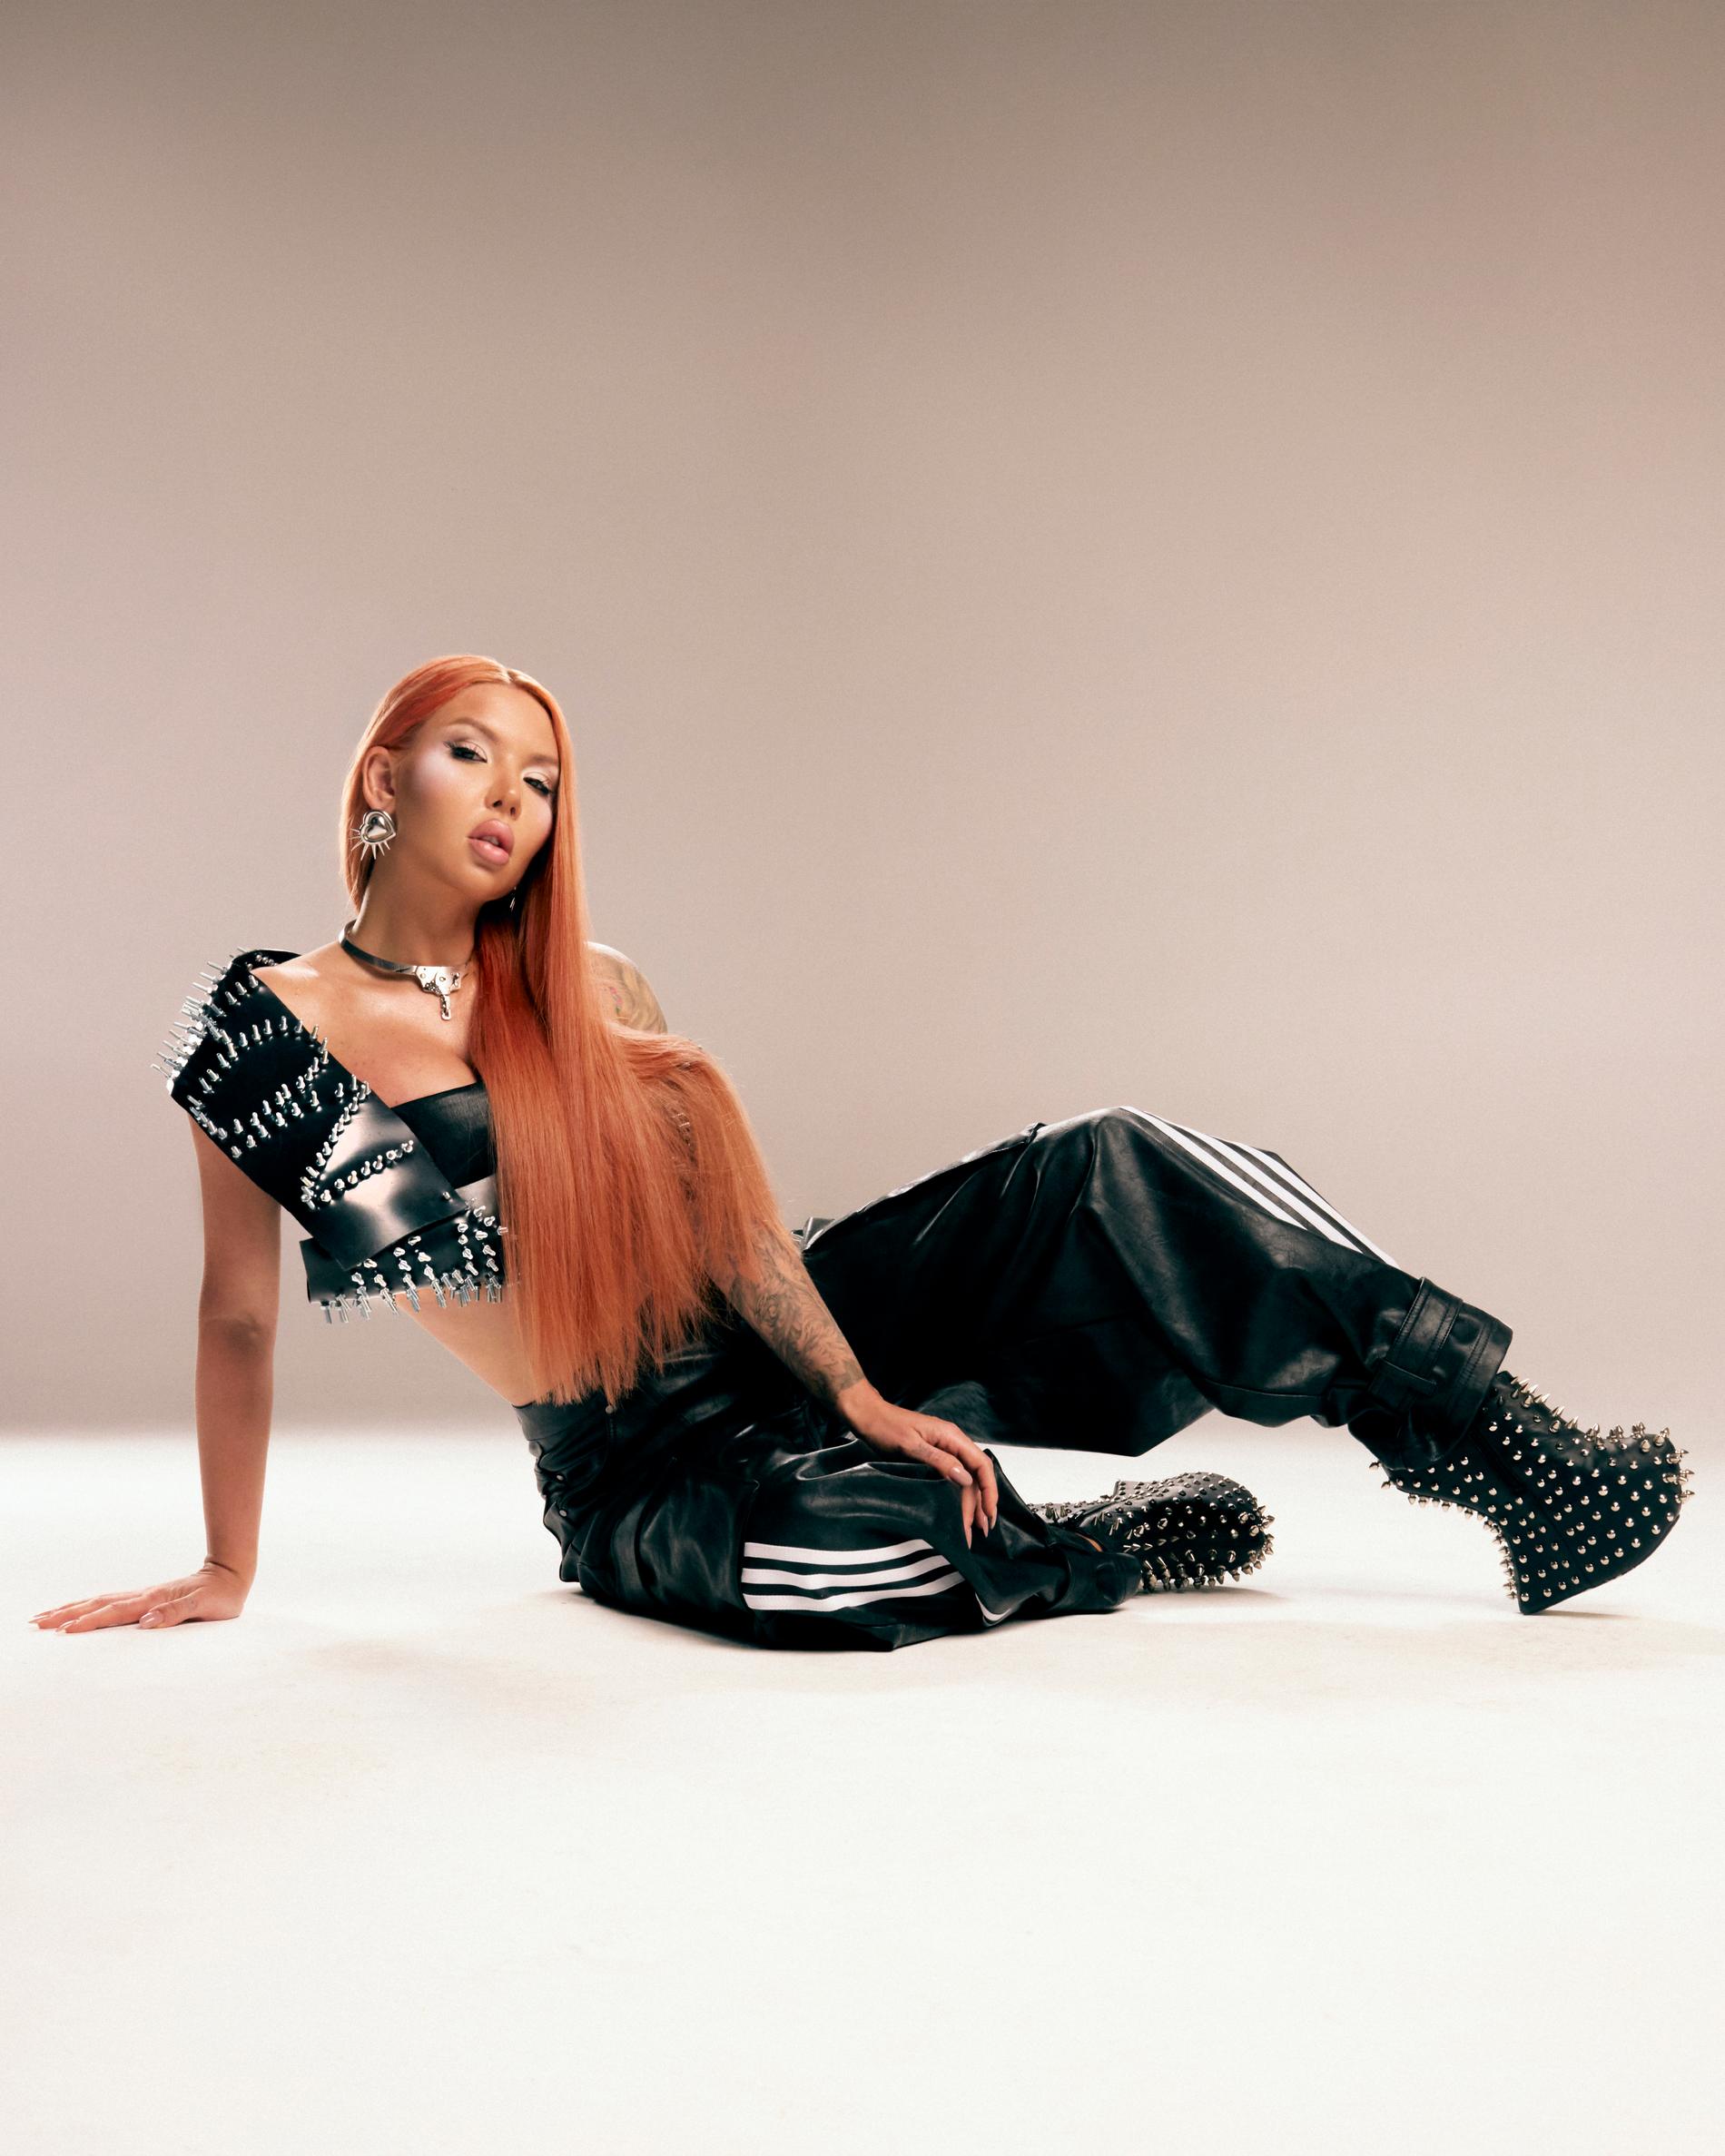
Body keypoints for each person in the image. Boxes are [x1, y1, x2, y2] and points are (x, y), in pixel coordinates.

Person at [31, 655, 1691, 1649]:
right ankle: (1100, 1543)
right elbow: (306, 1317)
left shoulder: (594, 985)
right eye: (472, 753)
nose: (512, 799)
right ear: (383, 771)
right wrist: (227, 1563)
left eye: (543, 779)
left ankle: (1502, 1449)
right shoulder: (267, 1032)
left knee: (1117, 1163)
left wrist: (847, 1381)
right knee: (842, 1549)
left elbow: (736, 1236)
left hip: (788, 1325)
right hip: (636, 1458)